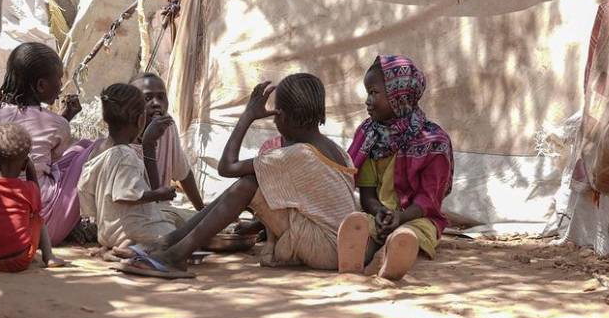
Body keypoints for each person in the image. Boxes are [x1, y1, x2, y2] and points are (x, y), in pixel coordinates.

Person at [148, 73, 359, 273]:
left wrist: (248, 116)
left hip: (328, 250)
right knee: (253, 181)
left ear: (281, 117)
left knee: (248, 184)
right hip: (340, 245)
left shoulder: (300, 154)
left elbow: (227, 167)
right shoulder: (337, 151)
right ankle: (169, 242)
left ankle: (175, 253)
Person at [337, 55, 453, 280]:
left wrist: (400, 218)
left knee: (415, 232)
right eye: (367, 93)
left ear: (399, 94)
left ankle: (395, 253)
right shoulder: (369, 136)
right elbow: (367, 193)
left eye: (374, 93)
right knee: (363, 225)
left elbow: (429, 199)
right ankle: (360, 259)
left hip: (417, 216)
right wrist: (379, 212)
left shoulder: (434, 141)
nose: (367, 101)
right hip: (378, 213)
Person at [0, 42, 93, 246]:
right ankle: (87, 221)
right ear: (41, 85)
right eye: (58, 79)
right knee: (92, 148)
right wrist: (64, 120)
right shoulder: (57, 125)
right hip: (41, 223)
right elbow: (51, 161)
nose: (61, 85)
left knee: (79, 147)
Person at [78, 84, 182, 257]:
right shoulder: (126, 155)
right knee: (176, 237)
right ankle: (135, 249)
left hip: (106, 232)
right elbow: (126, 194)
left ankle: (120, 246)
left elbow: (83, 189)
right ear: (140, 120)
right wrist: (159, 194)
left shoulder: (97, 154)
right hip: (131, 229)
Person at [0, 123, 62, 271]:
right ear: (24, 165)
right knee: (37, 217)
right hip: (20, 259)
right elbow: (36, 199)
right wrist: (31, 170)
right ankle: (48, 256)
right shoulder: (29, 190)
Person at [130, 72, 205, 211]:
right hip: (133, 217)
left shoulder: (167, 126)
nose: (157, 103)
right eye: (147, 98)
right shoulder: (123, 140)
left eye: (161, 97)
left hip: (160, 212)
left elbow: (183, 172)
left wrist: (201, 209)